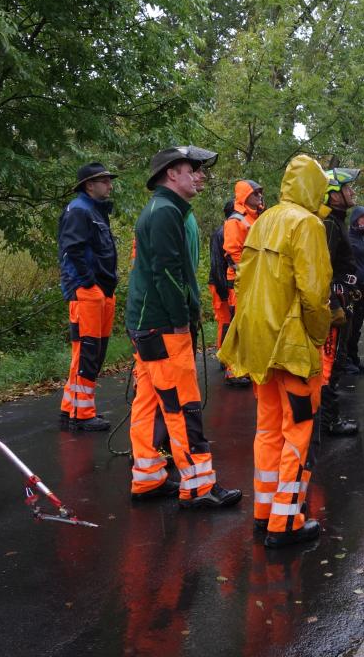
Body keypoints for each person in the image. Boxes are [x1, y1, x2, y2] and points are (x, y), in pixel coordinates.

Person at [218, 155, 331, 547]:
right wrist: (320, 336)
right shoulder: (308, 225)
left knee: (267, 430)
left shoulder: (262, 221)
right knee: (298, 430)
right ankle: (287, 521)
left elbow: (244, 281)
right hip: (294, 347)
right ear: (315, 189)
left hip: (261, 346)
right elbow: (315, 295)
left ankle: (265, 512)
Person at [126, 145, 242, 508]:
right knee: (182, 403)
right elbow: (168, 274)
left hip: (148, 325)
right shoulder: (163, 213)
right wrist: (181, 320)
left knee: (148, 402)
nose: (201, 174)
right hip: (162, 326)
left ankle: (147, 477)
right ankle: (199, 486)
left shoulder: (169, 210)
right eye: (194, 168)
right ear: (171, 173)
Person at [57, 162, 119, 432]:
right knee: (88, 352)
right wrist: (88, 285)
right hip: (88, 293)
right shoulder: (80, 211)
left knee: (90, 351)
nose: (110, 185)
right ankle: (82, 415)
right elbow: (72, 251)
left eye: (108, 180)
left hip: (100, 291)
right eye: (104, 181)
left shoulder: (94, 210)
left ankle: (71, 408)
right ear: (89, 185)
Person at [318, 168, 360, 436]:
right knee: (330, 364)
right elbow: (323, 268)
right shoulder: (330, 224)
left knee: (337, 361)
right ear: (334, 195)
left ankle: (325, 419)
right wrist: (333, 305)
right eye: (347, 188)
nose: (352, 191)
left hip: (344, 298)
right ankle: (328, 421)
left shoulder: (338, 220)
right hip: (335, 303)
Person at [220, 179, 264, 387]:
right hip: (240, 281)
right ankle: (233, 369)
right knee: (238, 324)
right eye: (256, 194)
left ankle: (247, 365)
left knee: (252, 325)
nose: (260, 197)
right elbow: (232, 253)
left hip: (256, 279)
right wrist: (246, 275)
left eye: (260, 193)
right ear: (246, 196)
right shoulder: (235, 220)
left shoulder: (259, 217)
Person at [344, 204, 364, 375]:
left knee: (357, 325)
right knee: (348, 324)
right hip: (352, 287)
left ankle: (354, 357)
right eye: (362, 217)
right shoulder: (349, 238)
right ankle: (346, 360)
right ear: (355, 219)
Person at [207, 197, 237, 354]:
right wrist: (223, 291)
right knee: (225, 321)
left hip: (227, 284)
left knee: (231, 322)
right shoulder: (221, 233)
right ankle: (224, 357)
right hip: (221, 284)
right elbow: (217, 264)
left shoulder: (232, 231)